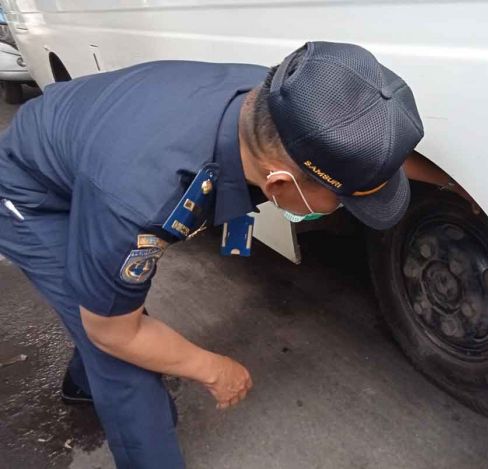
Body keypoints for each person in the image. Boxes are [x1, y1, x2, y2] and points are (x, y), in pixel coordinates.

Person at [0, 41, 424, 467]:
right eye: (344, 201)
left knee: (100, 294)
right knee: (126, 366)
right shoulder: (141, 199)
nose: (347, 210)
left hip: (91, 144)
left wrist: (453, 183)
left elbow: (361, 157)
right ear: (278, 185)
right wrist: (212, 368)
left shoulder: (288, 104)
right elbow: (113, 331)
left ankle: (80, 382)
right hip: (30, 191)